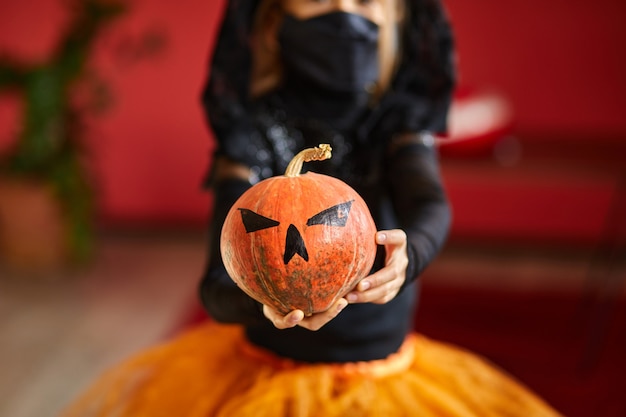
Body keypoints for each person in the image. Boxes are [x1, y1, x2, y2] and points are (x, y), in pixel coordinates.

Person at [61, 0, 563, 416]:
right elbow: (216, 287)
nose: (344, 13)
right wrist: (260, 305)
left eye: (365, 1)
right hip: (266, 370)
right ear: (276, 21)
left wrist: (413, 253)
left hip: (384, 367)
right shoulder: (251, 136)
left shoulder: (396, 124)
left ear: (395, 19)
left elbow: (428, 202)